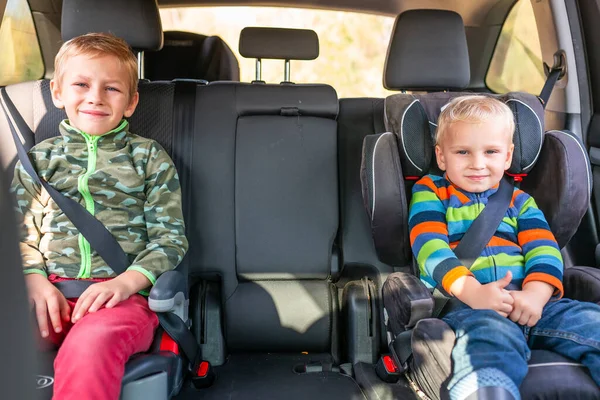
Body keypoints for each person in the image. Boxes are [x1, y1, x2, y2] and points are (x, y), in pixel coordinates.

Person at [10, 33, 189, 400]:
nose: (95, 97)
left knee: (91, 345)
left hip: (121, 299)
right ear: (58, 93)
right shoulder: (39, 160)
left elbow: (170, 240)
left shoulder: (148, 158)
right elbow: (18, 232)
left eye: (111, 88)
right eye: (81, 84)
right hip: (49, 292)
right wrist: (33, 279)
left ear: (131, 102)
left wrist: (125, 283)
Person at [408, 95, 600, 400]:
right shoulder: (431, 191)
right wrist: (472, 292)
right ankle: (487, 391)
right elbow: (430, 247)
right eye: (463, 152)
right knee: (490, 340)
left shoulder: (519, 201)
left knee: (592, 322)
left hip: (532, 303)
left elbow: (544, 249)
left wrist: (536, 295)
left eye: (491, 152)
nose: (478, 163)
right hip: (470, 307)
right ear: (441, 156)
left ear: (508, 156)